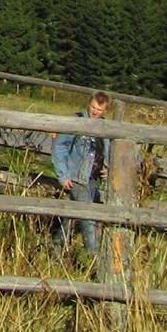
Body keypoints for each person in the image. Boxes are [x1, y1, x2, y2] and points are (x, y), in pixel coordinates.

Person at [50, 91, 111, 263]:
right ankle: (95, 261)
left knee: (71, 216)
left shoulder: (106, 129)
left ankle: (56, 251)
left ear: (105, 111)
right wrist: (63, 174)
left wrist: (109, 169)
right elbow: (59, 147)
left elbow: (109, 154)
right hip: (76, 178)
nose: (94, 112)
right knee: (88, 217)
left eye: (99, 110)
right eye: (92, 107)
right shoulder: (77, 121)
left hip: (92, 180)